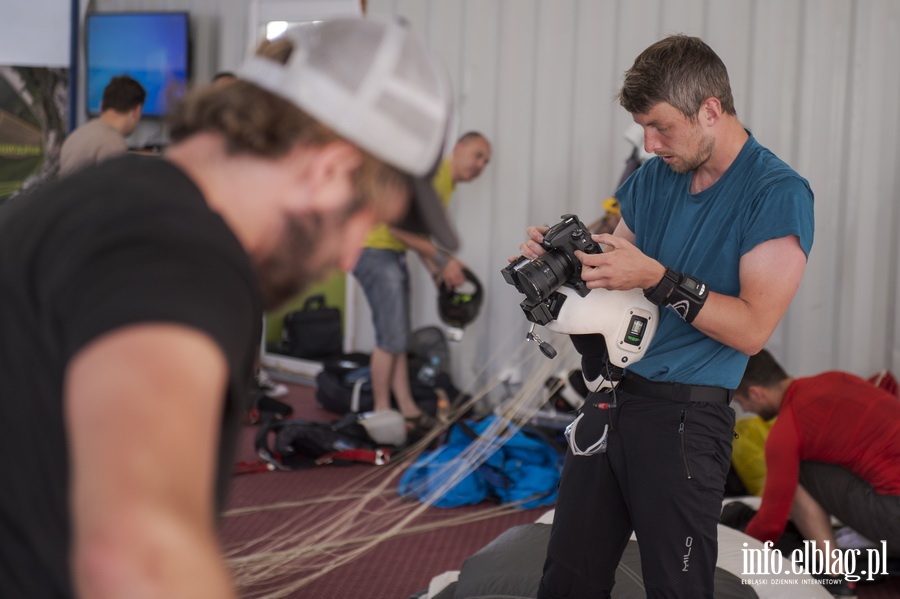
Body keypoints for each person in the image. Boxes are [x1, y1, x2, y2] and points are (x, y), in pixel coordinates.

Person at [0, 17, 455, 598]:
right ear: (330, 170)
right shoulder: (180, 252)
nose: (347, 258)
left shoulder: (98, 204)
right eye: (362, 220)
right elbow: (141, 559)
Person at [516, 35, 815, 598]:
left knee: (676, 591)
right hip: (609, 399)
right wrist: (561, 260)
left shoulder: (777, 193)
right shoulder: (655, 177)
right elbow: (611, 267)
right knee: (567, 581)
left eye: (660, 128)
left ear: (710, 109)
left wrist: (657, 278)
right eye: (642, 128)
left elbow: (752, 329)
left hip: (685, 421)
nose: (649, 145)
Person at [352, 131, 491, 430]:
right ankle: (381, 415)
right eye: (477, 155)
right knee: (390, 338)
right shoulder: (436, 174)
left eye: (486, 162)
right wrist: (444, 261)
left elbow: (418, 236)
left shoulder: (445, 182)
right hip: (375, 249)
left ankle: (407, 408)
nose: (480, 165)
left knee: (398, 336)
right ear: (458, 147)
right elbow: (397, 228)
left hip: (390, 253)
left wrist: (436, 271)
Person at [734, 349, 900, 563]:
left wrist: (737, 553)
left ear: (756, 393)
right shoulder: (837, 379)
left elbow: (770, 525)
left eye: (741, 401)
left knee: (797, 470)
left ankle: (835, 573)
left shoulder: (786, 430)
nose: (746, 410)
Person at [58, 74, 146, 176]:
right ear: (137, 111)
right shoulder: (113, 143)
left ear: (101, 105)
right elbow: (115, 189)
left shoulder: (76, 135)